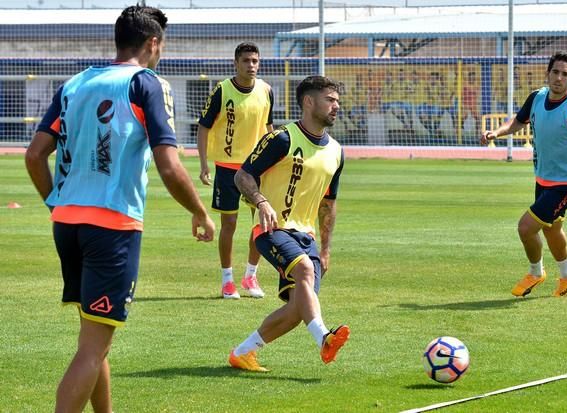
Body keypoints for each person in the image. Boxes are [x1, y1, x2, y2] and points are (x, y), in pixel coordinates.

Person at [24, 5, 215, 412]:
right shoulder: (147, 83)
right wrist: (199, 211)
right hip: (113, 227)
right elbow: (169, 164)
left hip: (67, 223)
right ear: (152, 43)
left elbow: (34, 156)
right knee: (92, 349)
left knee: (94, 337)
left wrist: (55, 203)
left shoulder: (76, 82)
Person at [228, 75, 349, 372]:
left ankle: (243, 353)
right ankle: (324, 338)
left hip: (306, 237)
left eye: (337, 102)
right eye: (330, 100)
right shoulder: (281, 138)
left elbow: (328, 205)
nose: (336, 107)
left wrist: (327, 249)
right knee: (305, 270)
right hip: (272, 229)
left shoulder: (336, 151)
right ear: (308, 102)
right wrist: (261, 201)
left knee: (297, 310)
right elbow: (242, 176)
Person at [481, 51, 567, 298]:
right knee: (552, 229)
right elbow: (518, 122)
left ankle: (536, 272)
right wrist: (496, 133)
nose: (559, 78)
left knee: (526, 227)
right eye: (555, 72)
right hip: (543, 179)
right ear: (548, 73)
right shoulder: (536, 97)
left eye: (565, 74)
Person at [197, 42, 274, 299]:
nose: (251, 65)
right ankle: (227, 281)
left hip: (256, 169)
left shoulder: (266, 90)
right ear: (235, 63)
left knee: (261, 224)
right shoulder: (222, 90)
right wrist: (204, 163)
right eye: (246, 61)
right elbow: (204, 127)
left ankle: (251, 277)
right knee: (228, 224)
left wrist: (276, 161)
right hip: (227, 169)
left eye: (255, 61)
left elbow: (269, 128)